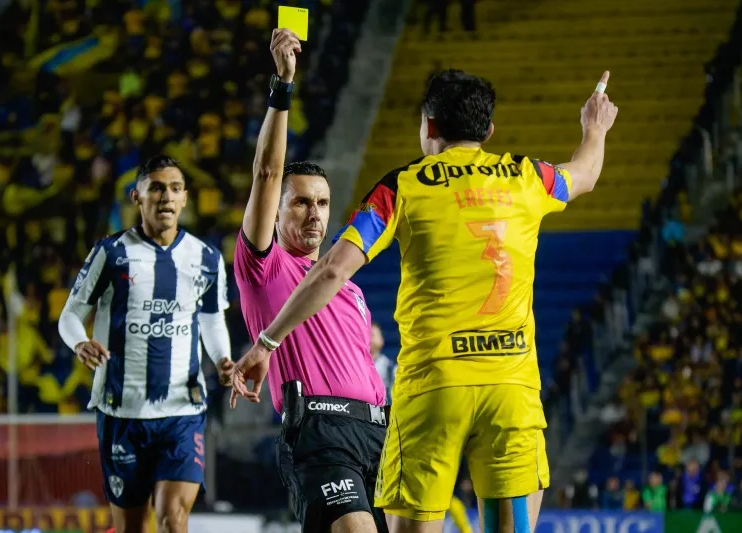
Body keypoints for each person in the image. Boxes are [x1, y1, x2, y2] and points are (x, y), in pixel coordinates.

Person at [231, 68, 618, 533]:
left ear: (429, 126)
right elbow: (586, 173)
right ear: (488, 131)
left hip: (432, 392)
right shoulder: (527, 176)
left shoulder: (403, 186)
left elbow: (332, 270)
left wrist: (266, 342)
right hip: (511, 392)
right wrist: (594, 127)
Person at [231, 29, 387, 533]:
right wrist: (283, 87)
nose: (315, 213)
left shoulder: (350, 286)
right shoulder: (264, 267)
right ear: (276, 213)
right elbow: (266, 172)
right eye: (300, 201)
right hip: (320, 433)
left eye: (322, 202)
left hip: (381, 435)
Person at [58, 155, 234, 533]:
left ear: (185, 198)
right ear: (137, 196)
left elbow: (211, 317)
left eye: (174, 188)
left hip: (181, 411)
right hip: (122, 411)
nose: (165, 196)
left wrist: (222, 359)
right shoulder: (112, 253)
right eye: (156, 187)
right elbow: (70, 315)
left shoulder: (206, 258)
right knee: (132, 528)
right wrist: (79, 343)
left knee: (173, 519)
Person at [371, 322, 396, 403]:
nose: (368, 339)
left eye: (372, 335)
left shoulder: (392, 369)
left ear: (381, 340)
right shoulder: (355, 368)